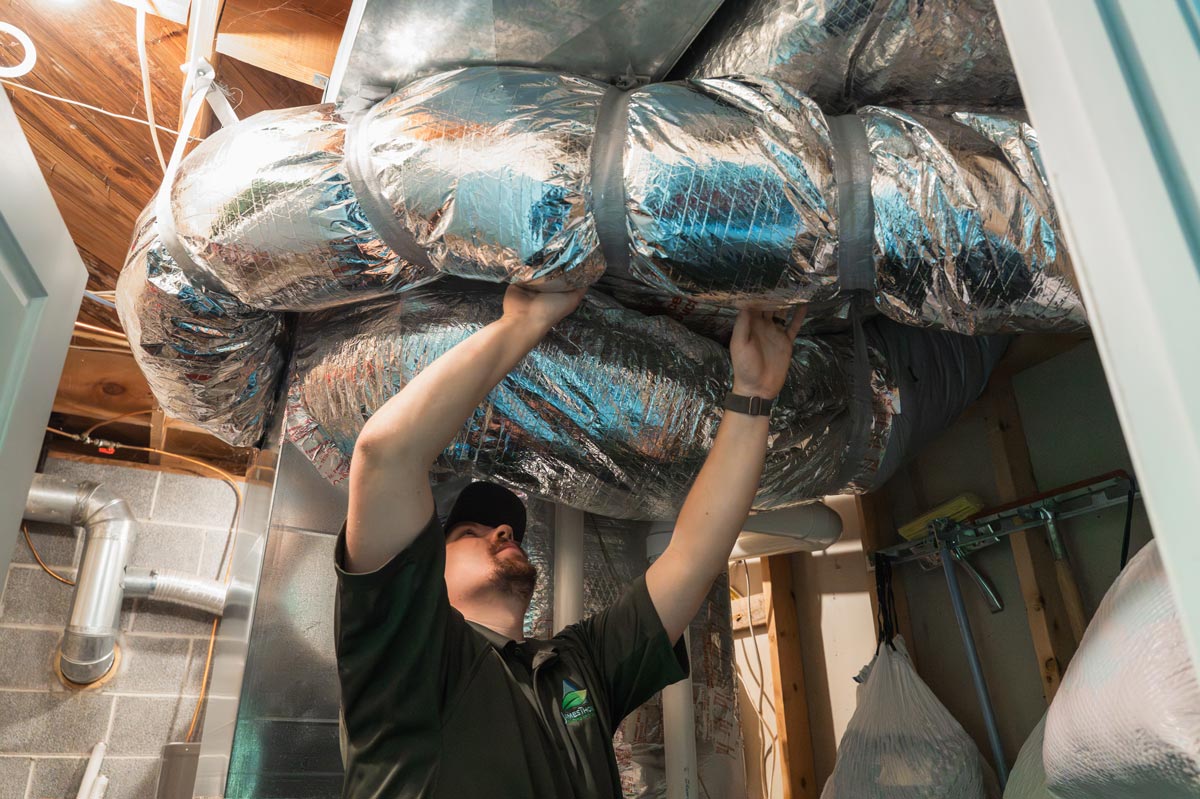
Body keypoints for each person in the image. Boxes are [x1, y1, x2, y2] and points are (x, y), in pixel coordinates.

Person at [336, 284, 806, 798]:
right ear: (426, 576)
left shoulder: (574, 666)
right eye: (469, 533)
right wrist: (523, 323)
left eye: (502, 529)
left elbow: (693, 555)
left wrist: (753, 396)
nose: (501, 531)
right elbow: (385, 456)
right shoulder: (408, 661)